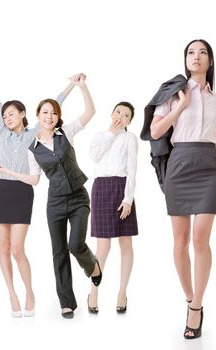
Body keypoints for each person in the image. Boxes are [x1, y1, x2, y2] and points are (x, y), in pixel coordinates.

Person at [0, 61, 75, 317]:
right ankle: (12, 294)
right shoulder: (2, 133)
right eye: (4, 116)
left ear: (24, 114)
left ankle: (29, 291)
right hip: (1, 191)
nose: (6, 117)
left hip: (22, 192)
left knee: (17, 248)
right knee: (3, 248)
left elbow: (55, 105)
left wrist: (72, 85)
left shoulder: (33, 133)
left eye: (11, 114)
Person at [0, 73, 102, 319]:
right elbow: (34, 180)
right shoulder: (32, 148)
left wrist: (82, 87)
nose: (50, 116)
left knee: (75, 244)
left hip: (78, 198)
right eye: (45, 112)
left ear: (57, 116)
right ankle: (66, 302)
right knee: (58, 251)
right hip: (54, 202)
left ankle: (92, 265)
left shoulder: (67, 132)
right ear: (37, 116)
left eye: (53, 112)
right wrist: (7, 171)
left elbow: (90, 112)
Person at [150, 39, 216, 339]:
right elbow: (156, 131)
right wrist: (180, 105)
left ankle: (196, 307)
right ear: (185, 60)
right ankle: (188, 296)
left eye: (202, 52)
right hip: (179, 165)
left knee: (200, 240)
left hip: (210, 168)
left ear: (210, 60)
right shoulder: (173, 93)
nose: (196, 57)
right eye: (191, 53)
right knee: (180, 241)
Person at [87, 102, 139, 314]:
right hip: (101, 187)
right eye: (118, 111)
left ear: (129, 121)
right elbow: (94, 156)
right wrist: (110, 133)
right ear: (111, 113)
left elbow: (132, 170)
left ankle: (122, 292)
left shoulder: (130, 139)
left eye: (126, 115)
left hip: (121, 187)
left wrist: (128, 199)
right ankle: (93, 291)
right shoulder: (100, 135)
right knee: (103, 247)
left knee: (125, 243)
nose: (121, 116)